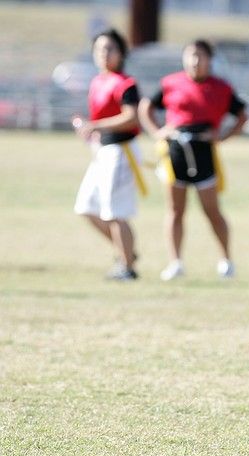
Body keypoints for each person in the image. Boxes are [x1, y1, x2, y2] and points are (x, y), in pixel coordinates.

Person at [139, 39, 248, 281]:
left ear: (210, 60)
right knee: (175, 210)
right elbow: (146, 107)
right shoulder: (171, 83)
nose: (195, 61)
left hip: (203, 151)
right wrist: (157, 132)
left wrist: (223, 136)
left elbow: (242, 115)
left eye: (200, 56)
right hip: (175, 150)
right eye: (190, 55)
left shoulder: (221, 87)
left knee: (212, 210)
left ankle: (226, 260)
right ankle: (175, 262)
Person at [73, 28, 143, 281]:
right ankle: (127, 253)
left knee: (114, 211)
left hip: (121, 151)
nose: (104, 53)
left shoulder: (126, 83)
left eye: (110, 48)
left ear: (121, 53)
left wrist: (97, 125)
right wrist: (89, 129)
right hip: (101, 150)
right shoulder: (97, 81)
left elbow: (131, 116)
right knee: (86, 207)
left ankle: (127, 267)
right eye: (99, 49)